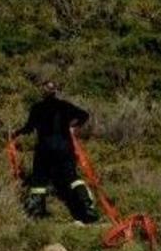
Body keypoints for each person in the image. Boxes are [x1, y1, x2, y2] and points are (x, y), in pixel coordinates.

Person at [12, 80, 100, 224]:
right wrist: (74, 126)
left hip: (44, 148)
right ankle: (88, 208)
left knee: (39, 180)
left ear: (43, 92)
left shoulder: (37, 108)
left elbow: (28, 128)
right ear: (56, 91)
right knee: (72, 177)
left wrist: (16, 133)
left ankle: (37, 213)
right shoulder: (65, 106)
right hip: (64, 146)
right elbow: (84, 115)